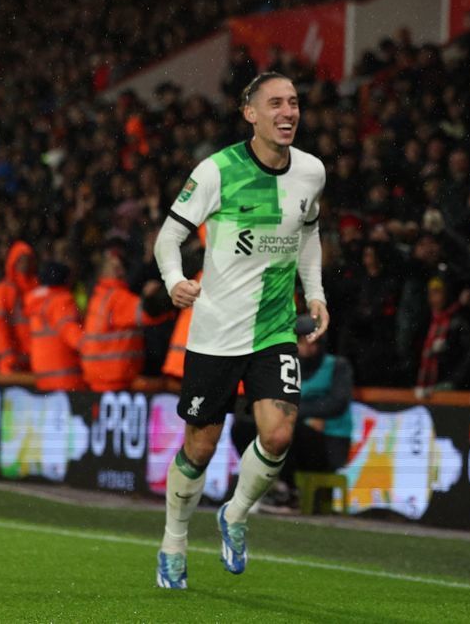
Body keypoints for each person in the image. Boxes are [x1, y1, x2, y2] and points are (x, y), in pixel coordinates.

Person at [151, 72, 329, 589]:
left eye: (294, 102)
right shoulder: (216, 171)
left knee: (277, 433)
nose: (288, 112)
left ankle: (235, 514)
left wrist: (314, 293)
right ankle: (174, 539)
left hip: (274, 328)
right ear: (249, 112)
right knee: (201, 449)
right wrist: (174, 280)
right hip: (215, 334)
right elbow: (168, 237)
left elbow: (310, 234)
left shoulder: (312, 171)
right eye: (275, 103)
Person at [231, 330, 354, 508]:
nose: (305, 347)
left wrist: (294, 414)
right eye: (301, 342)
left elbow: (336, 403)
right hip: (297, 430)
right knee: (244, 427)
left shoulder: (337, 366)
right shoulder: (286, 367)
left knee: (288, 431)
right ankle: (272, 483)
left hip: (329, 443)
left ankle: (290, 492)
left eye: (311, 342)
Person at [81, 245, 172, 393]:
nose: (121, 270)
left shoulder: (99, 297)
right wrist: (152, 296)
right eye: (117, 267)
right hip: (116, 379)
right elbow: (150, 314)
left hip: (98, 379)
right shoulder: (117, 298)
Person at [24, 262, 84, 392]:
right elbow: (74, 336)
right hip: (66, 377)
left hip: (43, 376)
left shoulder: (35, 302)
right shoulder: (61, 301)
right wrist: (94, 346)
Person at [0, 241, 36, 374]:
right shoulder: (2, 290)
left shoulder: (36, 290)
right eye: (21, 260)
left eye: (28, 260)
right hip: (13, 362)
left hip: (34, 362)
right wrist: (7, 354)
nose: (25, 264)